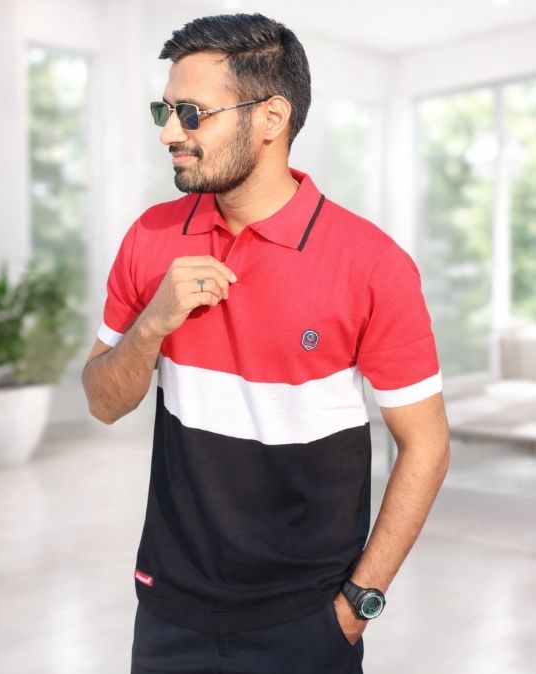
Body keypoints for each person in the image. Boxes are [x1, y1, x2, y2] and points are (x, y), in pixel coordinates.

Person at [82, 12, 449, 674]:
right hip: (168, 613)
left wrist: (357, 604)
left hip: (308, 623)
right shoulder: (150, 237)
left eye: (192, 114)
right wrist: (153, 323)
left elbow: (426, 445)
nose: (169, 133)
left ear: (272, 118)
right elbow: (103, 401)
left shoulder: (372, 264)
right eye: (164, 111)